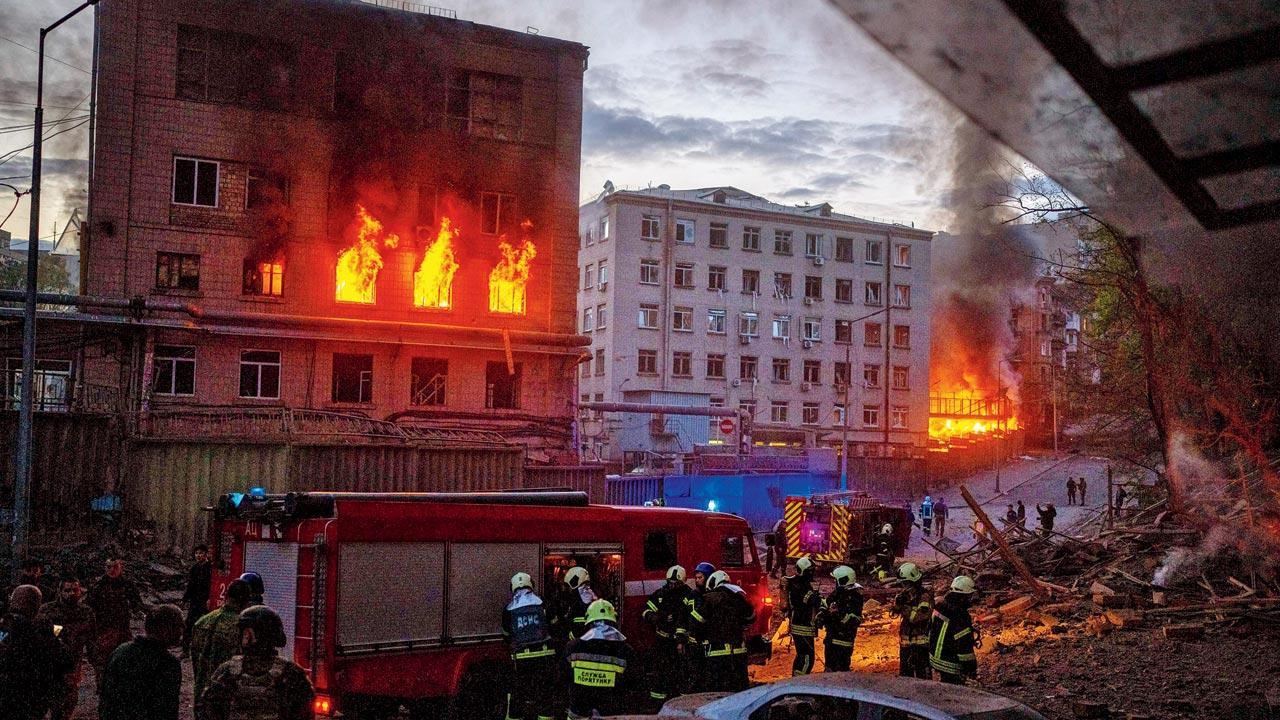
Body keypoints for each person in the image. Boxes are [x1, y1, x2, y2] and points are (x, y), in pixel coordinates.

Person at [197, 605, 314, 720]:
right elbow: (306, 713)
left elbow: (206, 710)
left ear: (248, 634)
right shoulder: (292, 673)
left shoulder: (226, 672)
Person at [0, 585, 74, 720]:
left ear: (12, 601)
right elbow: (66, 661)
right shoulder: (41, 630)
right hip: (31, 702)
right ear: (36, 606)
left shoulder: (4, 627)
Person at [100, 604, 184, 720]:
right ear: (166, 629)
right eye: (179, 626)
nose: (182, 631)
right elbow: (166, 710)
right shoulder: (167, 663)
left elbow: (105, 699)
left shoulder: (120, 651)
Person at [562, 599, 634, 720]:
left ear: (588, 622)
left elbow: (563, 676)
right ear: (614, 621)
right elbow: (633, 684)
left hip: (578, 711)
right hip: (611, 713)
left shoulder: (572, 647)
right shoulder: (626, 651)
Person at [38, 577, 98, 720]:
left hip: (73, 665)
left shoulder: (86, 613)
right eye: (67, 590)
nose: (71, 593)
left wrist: (97, 664)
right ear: (60, 591)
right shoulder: (47, 611)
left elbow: (92, 640)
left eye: (75, 590)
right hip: (50, 666)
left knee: (69, 702)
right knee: (52, 704)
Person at [502, 572, 556, 720]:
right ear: (531, 584)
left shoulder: (509, 609)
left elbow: (506, 634)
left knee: (518, 693)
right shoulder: (542, 603)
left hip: (521, 658)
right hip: (545, 656)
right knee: (544, 693)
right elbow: (553, 625)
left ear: (513, 587)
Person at [690, 570, 755, 692]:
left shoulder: (709, 598)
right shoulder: (739, 597)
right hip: (738, 652)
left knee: (718, 690)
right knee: (739, 690)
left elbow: (695, 622)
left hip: (716, 653)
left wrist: (701, 636)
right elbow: (751, 617)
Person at [191, 579, 253, 701]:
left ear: (226, 596)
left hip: (202, 695)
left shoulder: (201, 622)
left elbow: (196, 662)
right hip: (228, 699)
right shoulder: (244, 628)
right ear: (246, 602)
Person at [87, 556, 143, 690]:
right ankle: (103, 688)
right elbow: (89, 606)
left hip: (123, 628)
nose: (112, 570)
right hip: (104, 629)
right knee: (102, 661)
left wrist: (137, 610)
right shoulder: (98, 586)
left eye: (115, 567)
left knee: (125, 658)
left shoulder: (127, 585)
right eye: (108, 567)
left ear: (121, 568)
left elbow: (136, 602)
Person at [642, 565, 696, 705]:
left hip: (681, 643)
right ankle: (657, 704)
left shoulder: (689, 595)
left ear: (682, 582)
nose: (672, 585)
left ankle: (682, 704)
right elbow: (646, 611)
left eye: (676, 583)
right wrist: (657, 618)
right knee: (661, 672)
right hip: (662, 641)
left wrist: (681, 641)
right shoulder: (660, 594)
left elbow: (688, 619)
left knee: (682, 673)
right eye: (670, 582)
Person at [929, 576, 979, 684]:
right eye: (970, 596)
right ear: (964, 597)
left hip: (934, 658)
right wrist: (971, 668)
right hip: (950, 663)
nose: (971, 599)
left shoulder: (940, 606)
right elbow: (964, 646)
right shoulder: (960, 615)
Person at [891, 563, 932, 679]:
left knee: (923, 677)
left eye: (906, 583)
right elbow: (894, 613)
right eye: (903, 583)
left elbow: (918, 617)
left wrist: (904, 607)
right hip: (906, 644)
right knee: (905, 676)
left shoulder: (925, 597)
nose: (904, 586)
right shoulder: (905, 595)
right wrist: (897, 605)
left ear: (913, 582)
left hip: (921, 645)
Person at [821, 566, 864, 673]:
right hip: (831, 641)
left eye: (836, 580)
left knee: (841, 672)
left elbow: (854, 620)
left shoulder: (855, 597)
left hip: (844, 643)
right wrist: (823, 613)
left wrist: (837, 614)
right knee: (829, 670)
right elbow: (826, 605)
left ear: (842, 580)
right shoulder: (837, 594)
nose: (834, 583)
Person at [783, 556, 821, 676]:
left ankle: (796, 680)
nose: (812, 573)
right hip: (802, 625)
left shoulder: (799, 582)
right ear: (804, 571)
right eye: (810, 571)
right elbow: (810, 600)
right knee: (807, 658)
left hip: (801, 624)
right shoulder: (799, 585)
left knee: (802, 656)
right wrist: (819, 599)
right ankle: (799, 682)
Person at [184, 545, 213, 656]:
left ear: (206, 554)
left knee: (206, 624)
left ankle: (204, 651)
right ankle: (185, 650)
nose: (198, 555)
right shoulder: (194, 568)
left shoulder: (210, 568)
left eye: (200, 553)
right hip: (194, 600)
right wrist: (185, 598)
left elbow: (211, 585)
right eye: (196, 553)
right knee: (188, 624)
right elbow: (190, 585)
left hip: (205, 600)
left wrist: (210, 598)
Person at [554, 567, 598, 641]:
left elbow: (578, 627)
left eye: (567, 586)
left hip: (579, 643)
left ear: (573, 583)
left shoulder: (579, 602)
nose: (566, 589)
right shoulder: (590, 597)